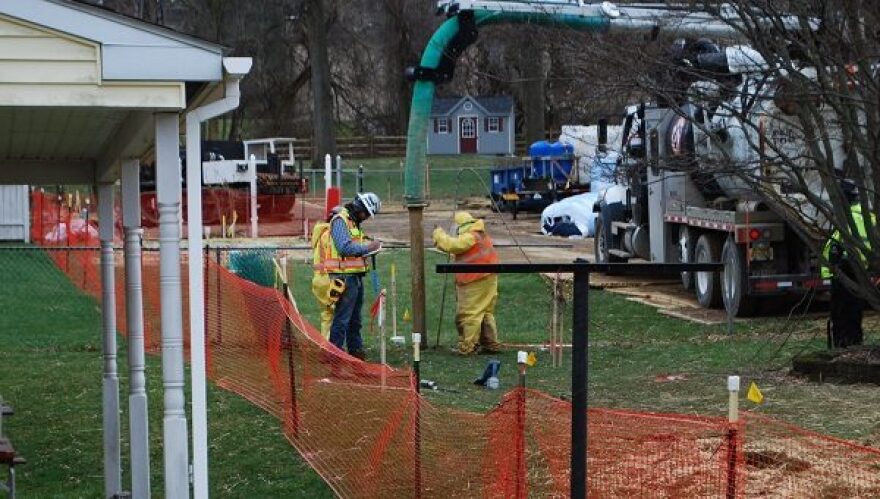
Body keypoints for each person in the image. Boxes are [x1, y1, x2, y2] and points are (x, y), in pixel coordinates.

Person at [432, 211, 502, 355]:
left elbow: (452, 245)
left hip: (475, 280)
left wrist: (438, 233)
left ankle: (468, 346)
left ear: (460, 225)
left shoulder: (470, 236)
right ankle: (490, 343)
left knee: (470, 314)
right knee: (485, 312)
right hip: (488, 277)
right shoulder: (479, 233)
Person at [323, 192, 382, 360]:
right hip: (343, 278)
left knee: (355, 320)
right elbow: (344, 248)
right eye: (366, 214)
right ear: (359, 208)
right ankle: (334, 355)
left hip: (354, 277)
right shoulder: (340, 221)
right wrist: (368, 248)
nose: (366, 218)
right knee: (342, 319)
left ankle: (356, 353)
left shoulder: (353, 223)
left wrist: (369, 247)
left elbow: (355, 246)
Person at [821, 183, 872, 348]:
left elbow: (838, 249)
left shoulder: (847, 219)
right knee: (854, 313)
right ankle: (854, 343)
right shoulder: (868, 217)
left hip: (845, 271)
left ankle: (843, 344)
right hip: (862, 272)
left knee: (842, 313)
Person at [310, 206, 341, 339]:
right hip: (329, 279)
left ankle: (325, 346)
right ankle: (332, 349)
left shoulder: (320, 232)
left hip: (318, 280)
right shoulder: (331, 234)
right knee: (338, 315)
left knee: (326, 316)